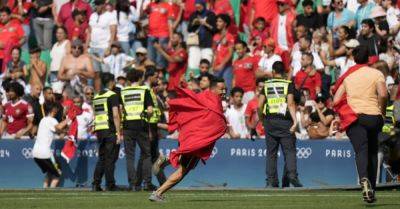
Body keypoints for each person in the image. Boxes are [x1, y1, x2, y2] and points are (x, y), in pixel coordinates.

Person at [149, 78, 227, 202]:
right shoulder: (212, 102)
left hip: (190, 136)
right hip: (195, 140)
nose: (224, 91)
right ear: (213, 89)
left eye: (225, 89)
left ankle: (167, 159)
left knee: (185, 166)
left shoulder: (204, 97)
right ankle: (158, 193)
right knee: (182, 171)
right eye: (221, 89)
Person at [333, 45, 387, 203]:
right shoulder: (377, 73)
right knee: (372, 152)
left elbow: (336, 100)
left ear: (354, 59)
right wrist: (382, 112)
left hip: (355, 117)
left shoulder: (348, 77)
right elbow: (383, 94)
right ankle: (373, 190)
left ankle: (363, 180)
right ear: (369, 58)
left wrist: (343, 111)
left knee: (361, 151)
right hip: (374, 116)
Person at [258, 61, 302, 188]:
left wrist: (262, 120)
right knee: (289, 151)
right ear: (284, 72)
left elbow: (259, 105)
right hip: (285, 121)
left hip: (270, 121)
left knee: (271, 153)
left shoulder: (266, 85)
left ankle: (271, 181)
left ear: (273, 72)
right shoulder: (288, 84)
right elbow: (291, 103)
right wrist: (295, 121)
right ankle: (292, 176)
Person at [121, 70, 156, 191]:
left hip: (127, 125)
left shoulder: (123, 91)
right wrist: (147, 118)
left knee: (130, 156)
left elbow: (120, 110)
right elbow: (150, 110)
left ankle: (133, 184)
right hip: (141, 124)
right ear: (140, 78)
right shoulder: (144, 90)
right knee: (146, 154)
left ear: (129, 79)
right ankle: (147, 183)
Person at [92, 72, 122, 191]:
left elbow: (95, 115)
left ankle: (96, 183)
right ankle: (110, 184)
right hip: (110, 130)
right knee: (110, 158)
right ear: (111, 82)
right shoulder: (112, 95)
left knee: (102, 158)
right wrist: (118, 133)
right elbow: (116, 115)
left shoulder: (97, 96)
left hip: (100, 130)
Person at [32, 102, 69, 188]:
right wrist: (69, 118)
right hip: (45, 154)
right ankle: (51, 193)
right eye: (57, 109)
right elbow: (59, 128)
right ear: (54, 110)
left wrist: (65, 131)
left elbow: (58, 131)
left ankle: (44, 190)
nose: (58, 111)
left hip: (35, 153)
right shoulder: (52, 120)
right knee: (58, 174)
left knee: (50, 172)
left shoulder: (43, 120)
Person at [87, 0, 117, 92]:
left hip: (104, 47)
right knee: (96, 73)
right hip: (93, 47)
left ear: (104, 5)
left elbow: (113, 32)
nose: (97, 6)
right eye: (96, 4)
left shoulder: (110, 15)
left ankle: (110, 93)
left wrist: (109, 47)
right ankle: (98, 94)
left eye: (99, 4)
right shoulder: (93, 15)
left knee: (106, 73)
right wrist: (87, 45)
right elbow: (90, 31)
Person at [154, 32, 188, 96]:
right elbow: (166, 51)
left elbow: (171, 60)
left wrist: (160, 49)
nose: (171, 39)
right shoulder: (172, 52)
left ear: (180, 40)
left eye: (174, 38)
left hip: (179, 86)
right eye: (171, 38)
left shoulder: (183, 52)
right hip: (171, 86)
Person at [213, 13, 234, 94]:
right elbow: (214, 52)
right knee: (215, 90)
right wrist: (212, 66)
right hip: (216, 67)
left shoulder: (230, 36)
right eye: (217, 21)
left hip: (226, 67)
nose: (217, 23)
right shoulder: (215, 36)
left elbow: (230, 53)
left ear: (225, 24)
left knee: (226, 89)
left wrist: (222, 64)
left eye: (220, 21)